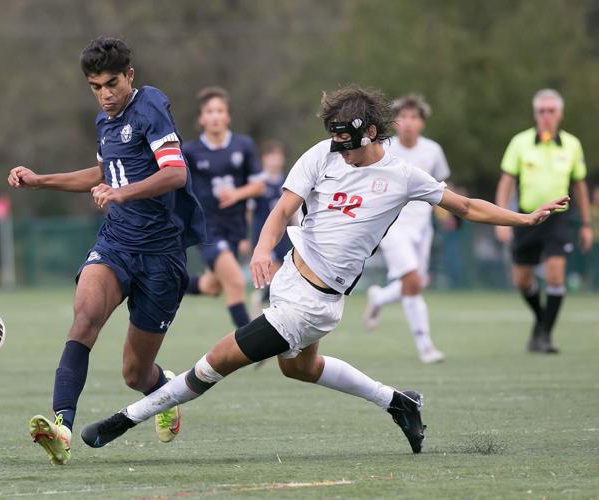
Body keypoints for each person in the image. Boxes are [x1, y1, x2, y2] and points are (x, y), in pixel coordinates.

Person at [80, 85, 568, 456]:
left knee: (214, 364)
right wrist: (263, 250)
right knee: (302, 368)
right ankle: (399, 401)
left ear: (373, 133)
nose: (341, 151)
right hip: (290, 273)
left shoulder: (401, 176)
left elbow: (467, 206)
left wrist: (523, 217)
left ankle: (125, 419)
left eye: (349, 143)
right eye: (335, 140)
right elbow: (280, 208)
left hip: (314, 304)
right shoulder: (322, 153)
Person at [7, 37, 205, 465]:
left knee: (135, 374)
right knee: (84, 321)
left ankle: (162, 390)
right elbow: (103, 171)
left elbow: (174, 173)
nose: (105, 93)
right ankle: (60, 428)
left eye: (112, 83)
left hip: (161, 256)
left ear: (129, 76)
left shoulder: (150, 106)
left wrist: (122, 193)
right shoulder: (105, 122)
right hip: (116, 244)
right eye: (96, 86)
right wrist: (41, 180)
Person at [495, 89, 592, 353]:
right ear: (535, 114)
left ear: (559, 114)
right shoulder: (520, 142)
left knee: (555, 274)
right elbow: (506, 181)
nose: (546, 116)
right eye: (542, 111)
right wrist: (501, 218)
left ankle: (545, 335)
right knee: (523, 281)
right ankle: (541, 321)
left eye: (551, 111)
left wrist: (586, 224)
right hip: (527, 218)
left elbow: (580, 185)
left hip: (558, 220)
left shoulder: (572, 145)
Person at [362, 94, 450, 364]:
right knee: (412, 282)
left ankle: (379, 296)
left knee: (413, 284)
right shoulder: (384, 148)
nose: (408, 122)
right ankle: (425, 346)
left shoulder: (432, 151)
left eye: (414, 117)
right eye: (403, 117)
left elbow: (441, 186)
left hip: (421, 228)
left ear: (422, 122)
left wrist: (445, 213)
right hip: (393, 226)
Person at [182, 87, 266, 330]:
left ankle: (164, 282)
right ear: (201, 119)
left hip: (235, 227)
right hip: (207, 227)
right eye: (209, 111)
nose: (215, 116)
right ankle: (252, 344)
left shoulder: (243, 145)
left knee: (212, 286)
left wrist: (237, 194)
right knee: (236, 283)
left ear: (228, 116)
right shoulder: (190, 151)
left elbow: (259, 186)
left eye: (220, 110)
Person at [249, 140, 292, 317]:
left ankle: (265, 300)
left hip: (285, 234)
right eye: (271, 156)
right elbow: (250, 211)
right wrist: (248, 237)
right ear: (264, 159)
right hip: (264, 234)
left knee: (283, 270)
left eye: (278, 156)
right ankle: (265, 301)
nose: (275, 160)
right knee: (273, 269)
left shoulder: (287, 180)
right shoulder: (258, 182)